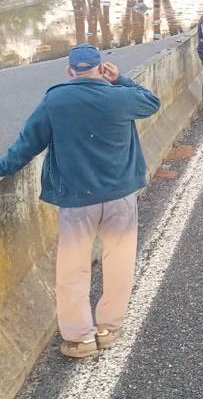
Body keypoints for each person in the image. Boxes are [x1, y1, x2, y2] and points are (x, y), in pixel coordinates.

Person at [0, 44, 160, 358]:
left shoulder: (55, 100)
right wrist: (121, 79)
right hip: (120, 197)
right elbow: (151, 101)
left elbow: (25, 146)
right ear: (102, 68)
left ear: (70, 70)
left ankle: (80, 338)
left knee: (73, 269)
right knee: (119, 262)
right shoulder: (120, 98)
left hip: (76, 201)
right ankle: (109, 327)